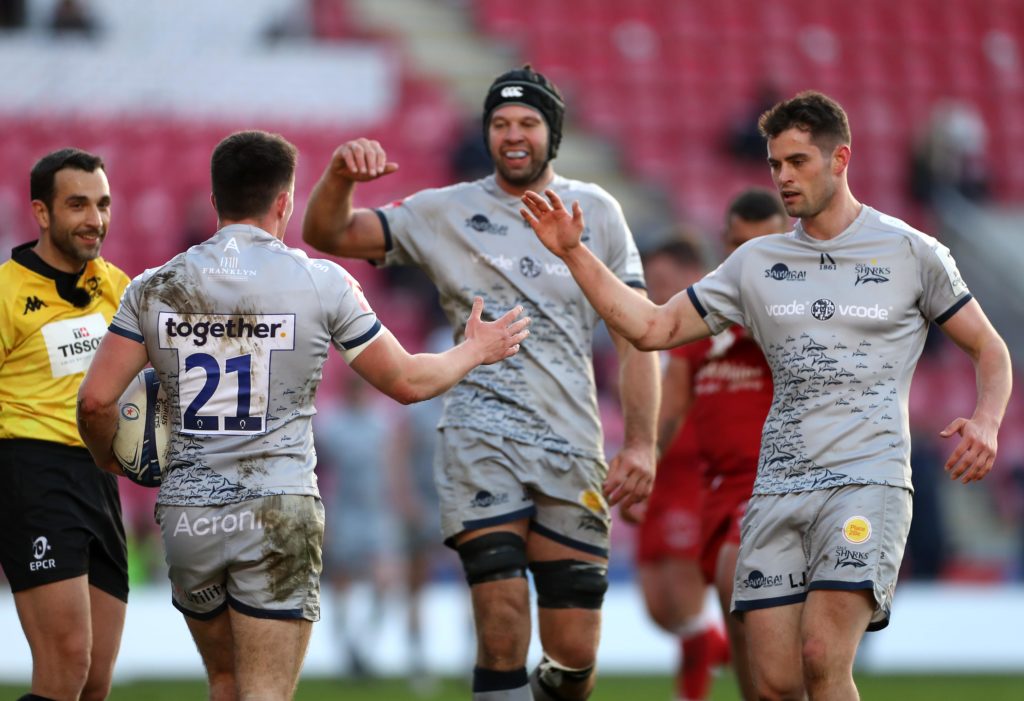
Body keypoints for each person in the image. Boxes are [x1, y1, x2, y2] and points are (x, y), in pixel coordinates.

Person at [521, 90, 1012, 701]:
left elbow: (990, 349)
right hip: (776, 489)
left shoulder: (912, 252)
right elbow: (652, 327)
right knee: (773, 683)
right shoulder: (754, 263)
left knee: (821, 658)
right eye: (775, 164)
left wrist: (988, 420)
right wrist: (574, 253)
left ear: (841, 160)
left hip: (867, 480)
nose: (783, 177)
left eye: (798, 162)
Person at [76, 129, 529, 701]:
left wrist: (113, 462)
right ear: (286, 201)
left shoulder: (153, 287)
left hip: (189, 514)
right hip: (277, 511)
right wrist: (476, 349)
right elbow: (410, 383)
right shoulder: (322, 283)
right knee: (266, 693)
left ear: (216, 202)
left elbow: (94, 403)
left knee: (224, 684)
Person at [302, 65, 660, 701]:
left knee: (574, 655)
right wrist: (339, 179)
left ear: (553, 134)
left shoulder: (598, 212)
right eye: (500, 123)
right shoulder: (446, 210)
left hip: (571, 448)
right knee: (499, 625)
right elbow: (327, 233)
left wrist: (640, 443)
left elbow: (638, 335)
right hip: (477, 444)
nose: (513, 135)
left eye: (527, 123)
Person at [0, 148, 130, 701]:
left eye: (101, 204)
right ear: (42, 212)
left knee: (95, 681)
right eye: (77, 204)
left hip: (100, 474)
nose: (94, 219)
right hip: (32, 472)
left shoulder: (116, 286)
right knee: (66, 666)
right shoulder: (6, 292)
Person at [659, 188, 788, 701]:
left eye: (764, 247)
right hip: (717, 489)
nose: (752, 261)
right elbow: (669, 407)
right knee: (741, 645)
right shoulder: (706, 310)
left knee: (739, 573)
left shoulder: (803, 314)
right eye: (739, 247)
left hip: (781, 485)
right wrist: (641, 462)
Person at [626, 236, 731, 701]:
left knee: (686, 608)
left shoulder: (714, 331)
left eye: (665, 281)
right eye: (652, 282)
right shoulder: (651, 334)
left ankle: (690, 693)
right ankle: (737, 650)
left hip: (692, 478)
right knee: (658, 610)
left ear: (693, 277)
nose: (656, 290)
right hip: (655, 479)